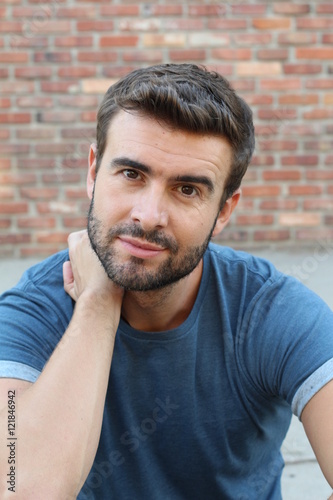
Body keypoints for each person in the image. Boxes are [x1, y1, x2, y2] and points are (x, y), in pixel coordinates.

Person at [0, 63, 332, 500]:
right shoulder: (33, 309)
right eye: (131, 174)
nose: (148, 215)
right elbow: (20, 488)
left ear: (224, 211)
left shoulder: (271, 313)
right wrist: (98, 303)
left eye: (188, 190)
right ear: (93, 172)